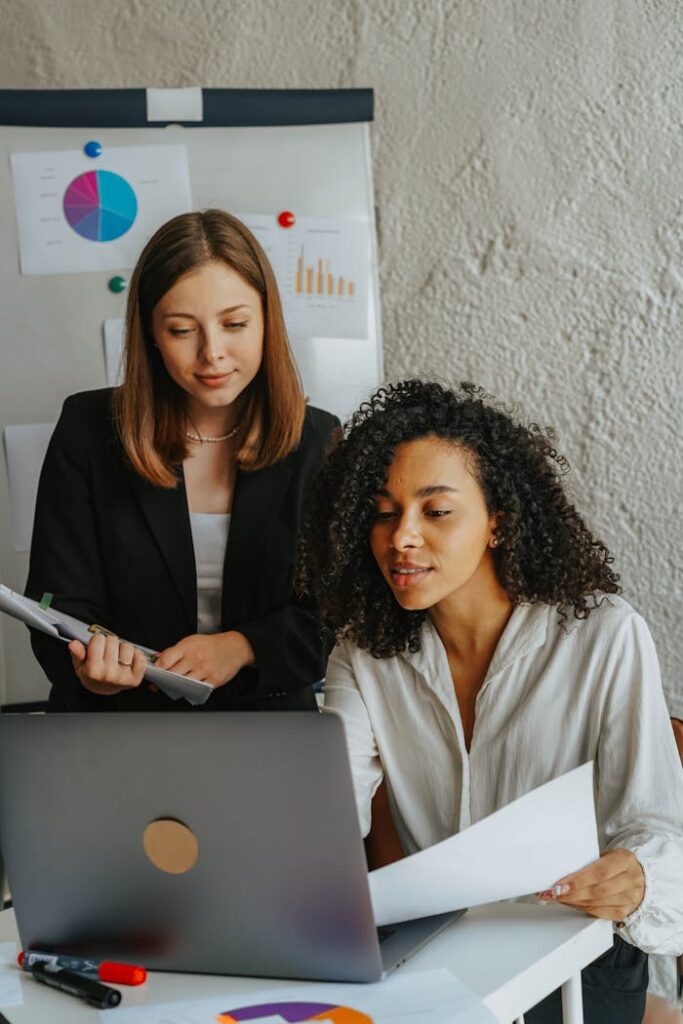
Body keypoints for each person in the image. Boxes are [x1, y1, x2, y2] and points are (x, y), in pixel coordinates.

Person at [298, 379, 683, 1024]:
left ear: (498, 521)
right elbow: (325, 805)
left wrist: (636, 876)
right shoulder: (362, 654)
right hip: (441, 953)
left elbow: (659, 829)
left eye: (436, 511)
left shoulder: (603, 635)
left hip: (577, 957)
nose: (402, 538)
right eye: (384, 511)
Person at [26, 209, 337, 712]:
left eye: (235, 323)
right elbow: (56, 604)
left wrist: (243, 646)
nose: (212, 353)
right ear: (150, 332)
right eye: (181, 330)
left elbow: (336, 615)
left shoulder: (318, 439)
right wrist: (91, 670)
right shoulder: (87, 427)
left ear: (267, 321)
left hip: (265, 729)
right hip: (115, 727)